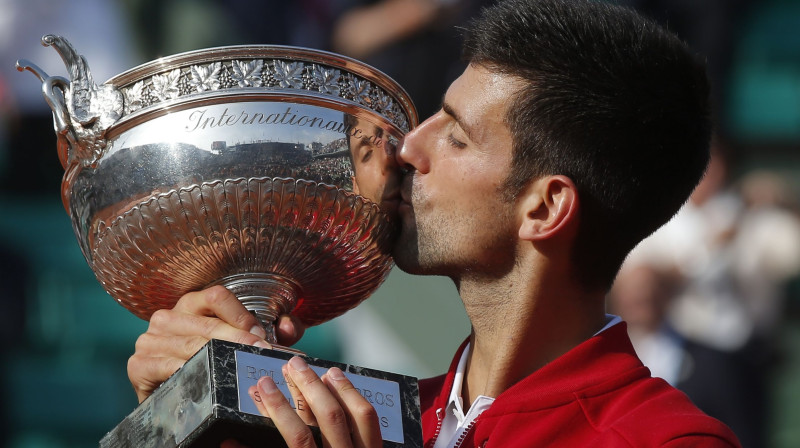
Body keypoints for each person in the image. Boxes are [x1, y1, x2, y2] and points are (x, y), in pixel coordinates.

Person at [127, 0, 742, 446]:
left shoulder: (665, 441)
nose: (406, 149)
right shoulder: (366, 421)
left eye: (455, 136)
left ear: (545, 207)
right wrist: (179, 418)